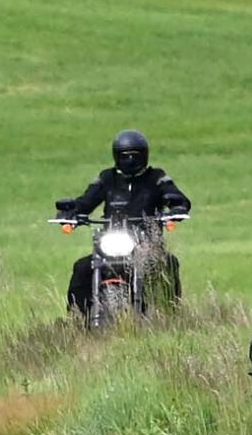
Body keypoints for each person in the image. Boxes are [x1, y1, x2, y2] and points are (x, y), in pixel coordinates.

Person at [55, 129, 192, 315]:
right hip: (110, 245)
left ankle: (171, 314)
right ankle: (77, 320)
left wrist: (177, 206)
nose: (130, 160)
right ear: (116, 156)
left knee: (169, 263)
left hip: (147, 246)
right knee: (82, 268)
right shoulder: (107, 178)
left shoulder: (156, 177)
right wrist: (71, 212)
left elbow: (175, 195)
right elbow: (86, 201)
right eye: (125, 156)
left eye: (134, 156)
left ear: (144, 156)